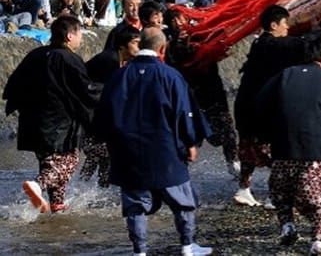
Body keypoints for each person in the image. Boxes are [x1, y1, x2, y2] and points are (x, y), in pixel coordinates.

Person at [93, 28, 212, 256]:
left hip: (127, 152)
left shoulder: (119, 76)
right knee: (182, 201)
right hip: (165, 150)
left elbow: (104, 115)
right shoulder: (171, 76)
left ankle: (140, 251)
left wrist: (107, 143)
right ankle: (187, 246)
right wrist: (190, 142)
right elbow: (184, 112)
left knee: (135, 205)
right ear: (162, 48)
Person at [233, 3, 321, 207]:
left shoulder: (260, 44)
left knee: (248, 149)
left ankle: (244, 188)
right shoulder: (272, 44)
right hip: (261, 108)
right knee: (276, 152)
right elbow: (303, 44)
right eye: (285, 23)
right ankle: (274, 195)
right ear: (274, 25)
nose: (287, 28)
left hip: (246, 106)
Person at [257, 33, 321, 256]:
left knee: (282, 195)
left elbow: (260, 107)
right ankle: (318, 240)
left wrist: (265, 141)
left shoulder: (282, 77)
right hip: (316, 150)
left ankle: (287, 225)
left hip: (283, 148)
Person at [3, 15, 98, 213]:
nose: (81, 38)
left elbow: (13, 86)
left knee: (49, 162)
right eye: (79, 33)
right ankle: (38, 185)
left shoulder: (36, 54)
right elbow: (85, 90)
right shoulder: (68, 58)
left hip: (32, 121)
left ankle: (57, 204)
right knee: (69, 161)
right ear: (70, 36)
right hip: (59, 124)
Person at [165, 7, 240, 178]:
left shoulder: (203, 36)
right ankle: (179, 168)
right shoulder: (171, 45)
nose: (178, 23)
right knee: (190, 132)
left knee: (226, 128)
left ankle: (232, 161)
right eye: (174, 20)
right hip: (190, 95)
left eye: (181, 19)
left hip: (212, 91)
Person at [80, 25, 141, 187]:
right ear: (123, 45)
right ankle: (80, 190)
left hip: (96, 116)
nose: (139, 47)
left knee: (102, 157)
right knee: (105, 153)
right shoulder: (110, 60)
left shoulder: (121, 61)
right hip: (88, 117)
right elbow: (110, 95)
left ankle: (88, 192)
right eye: (135, 43)